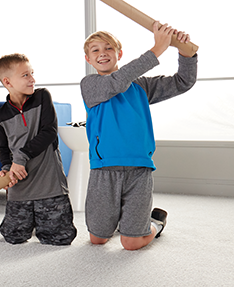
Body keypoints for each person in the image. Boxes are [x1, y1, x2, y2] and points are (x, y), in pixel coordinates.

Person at [80, 22, 198, 250]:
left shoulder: (141, 87)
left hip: (139, 169)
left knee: (131, 243)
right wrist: (156, 50)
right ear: (88, 59)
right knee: (98, 239)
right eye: (95, 50)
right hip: (104, 169)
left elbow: (183, 82)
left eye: (108, 48)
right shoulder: (91, 85)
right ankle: (122, 221)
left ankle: (154, 223)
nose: (102, 53)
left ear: (119, 54)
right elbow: (116, 82)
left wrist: (185, 53)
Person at [0, 53, 77, 245]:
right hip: (20, 187)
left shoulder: (42, 97)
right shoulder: (0, 117)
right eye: (26, 75)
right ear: (8, 81)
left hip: (50, 185)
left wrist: (21, 157)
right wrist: (7, 168)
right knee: (13, 237)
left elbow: (49, 132)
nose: (33, 79)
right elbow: (3, 148)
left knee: (59, 239)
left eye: (32, 73)